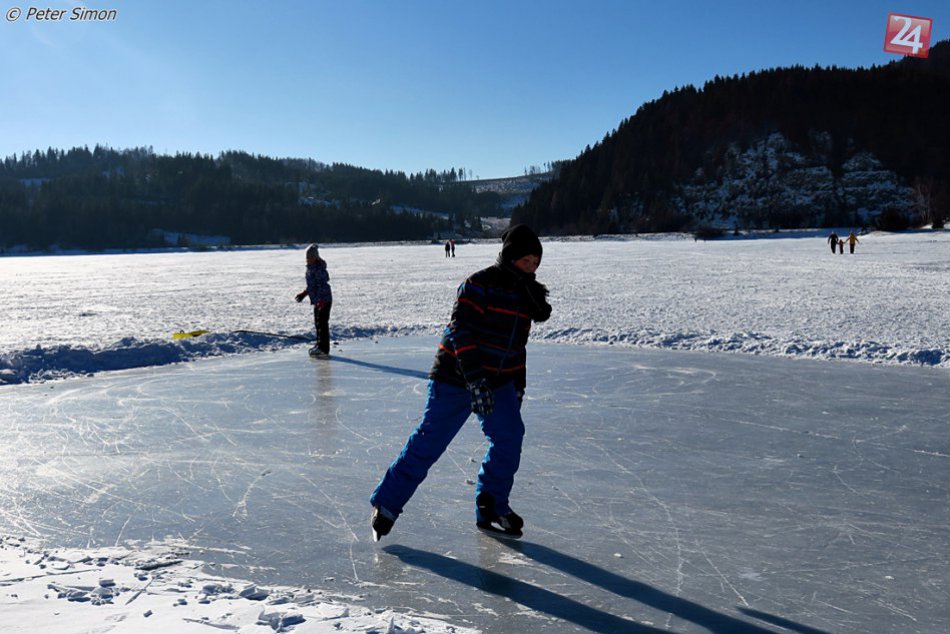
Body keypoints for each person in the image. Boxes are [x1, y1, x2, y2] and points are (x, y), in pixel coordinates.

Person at [369, 224, 552, 541]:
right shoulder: (479, 284)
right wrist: (475, 380)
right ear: (510, 257)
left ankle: (491, 505)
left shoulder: (525, 295)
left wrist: (517, 385)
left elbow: (516, 346)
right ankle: (386, 504)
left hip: (498, 380)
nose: (530, 268)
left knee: (510, 436)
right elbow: (460, 332)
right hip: (454, 377)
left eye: (535, 263)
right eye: (526, 261)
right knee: (430, 440)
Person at [295, 244, 333, 357]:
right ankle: (319, 344)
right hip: (318, 300)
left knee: (322, 323)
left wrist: (321, 300)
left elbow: (322, 285)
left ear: (315, 257)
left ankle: (324, 349)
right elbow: (312, 286)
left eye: (310, 257)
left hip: (324, 300)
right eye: (307, 257)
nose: (308, 259)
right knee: (318, 323)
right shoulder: (310, 268)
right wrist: (304, 294)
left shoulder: (318, 269)